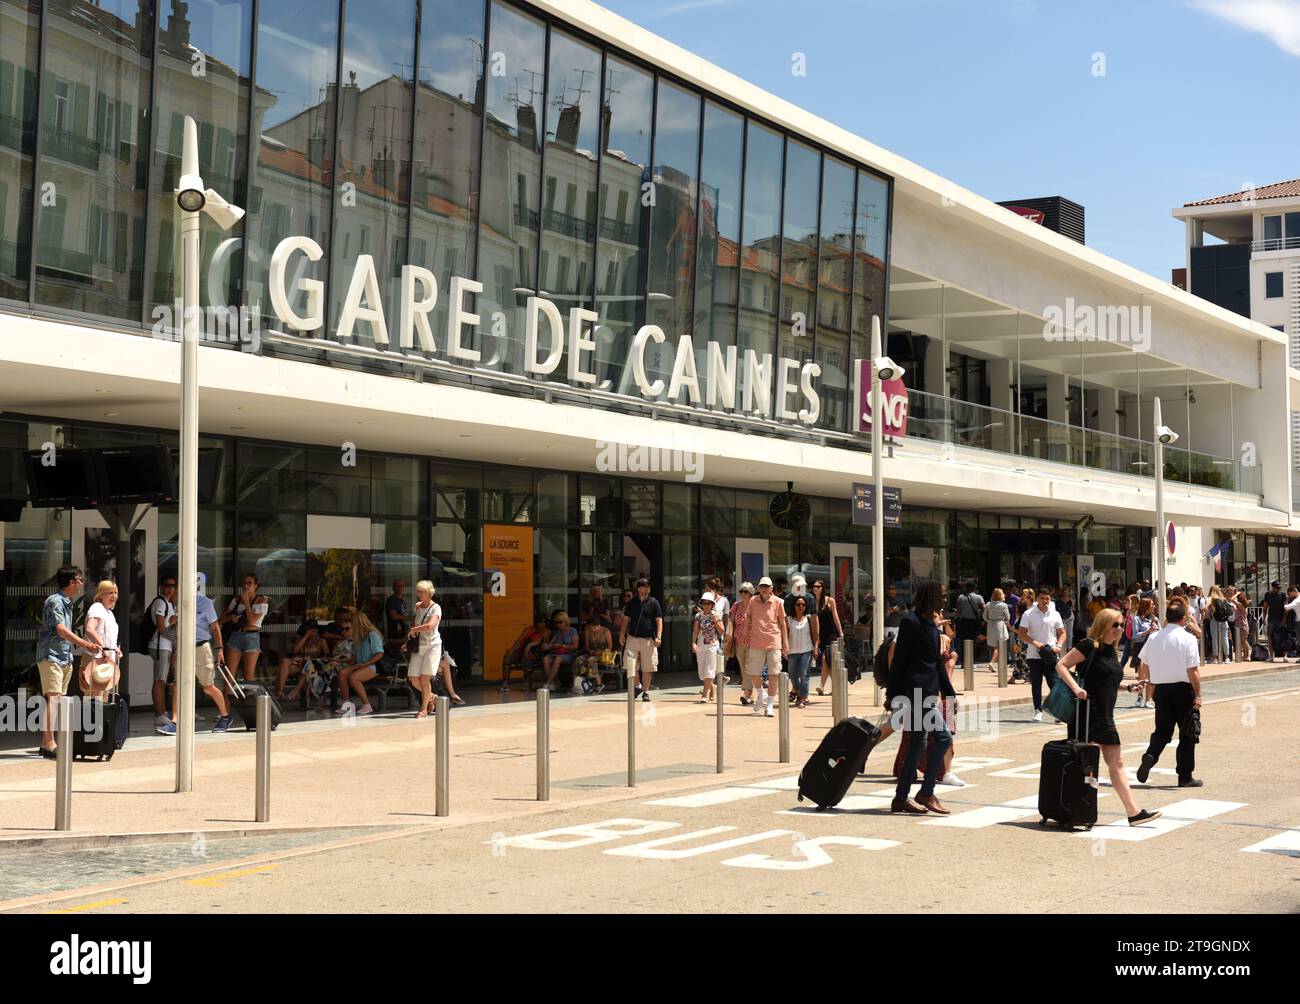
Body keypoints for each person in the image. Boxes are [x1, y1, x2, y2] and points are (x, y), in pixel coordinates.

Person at [1054, 608, 1162, 825]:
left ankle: (1133, 813)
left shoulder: (1111, 651)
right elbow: (1061, 665)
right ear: (1103, 625)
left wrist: (1128, 686)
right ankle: (1075, 810)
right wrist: (1076, 689)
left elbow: (1105, 682)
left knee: (1116, 763)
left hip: (1104, 715)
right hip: (1086, 714)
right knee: (1084, 764)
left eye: (1121, 625)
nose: (1120, 629)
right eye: (1115, 625)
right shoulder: (1088, 645)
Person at [886, 580, 955, 815]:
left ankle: (900, 798)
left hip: (927, 693)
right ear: (931, 597)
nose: (945, 600)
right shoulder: (911, 623)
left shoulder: (930, 625)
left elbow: (936, 662)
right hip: (915, 693)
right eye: (942, 596)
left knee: (919, 743)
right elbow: (899, 661)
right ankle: (926, 792)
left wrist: (949, 693)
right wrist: (892, 694)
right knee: (943, 738)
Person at [1137, 603, 1205, 788]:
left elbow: (1144, 664)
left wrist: (1148, 687)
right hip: (1183, 690)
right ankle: (1184, 776)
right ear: (1184, 619)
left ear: (1167, 617)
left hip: (1162, 690)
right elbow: (1193, 670)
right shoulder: (1188, 638)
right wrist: (1198, 694)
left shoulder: (1153, 637)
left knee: (1162, 732)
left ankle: (1150, 755)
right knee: (1188, 732)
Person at [35, 566, 100, 759]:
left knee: (58, 700)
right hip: (51, 656)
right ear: (72, 582)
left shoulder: (67, 603)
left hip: (63, 656)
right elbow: (61, 630)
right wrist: (85, 644)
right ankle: (48, 743)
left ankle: (46, 743)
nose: (81, 583)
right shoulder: (55, 601)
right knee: (54, 699)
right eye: (79, 580)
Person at [157, 582, 232, 735]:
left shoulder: (205, 603)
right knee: (177, 685)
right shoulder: (179, 602)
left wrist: (219, 649)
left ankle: (225, 716)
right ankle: (175, 722)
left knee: (208, 687)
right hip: (184, 647)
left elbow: (215, 627)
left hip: (201, 647)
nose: (178, 590)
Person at [1017, 588, 1066, 722]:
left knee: (1054, 684)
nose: (1045, 601)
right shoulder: (1029, 614)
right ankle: (1038, 710)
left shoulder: (1055, 614)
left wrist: (1059, 646)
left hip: (1050, 654)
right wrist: (1035, 643)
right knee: (1036, 684)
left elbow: (1062, 633)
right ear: (1037, 599)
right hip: (1034, 655)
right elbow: (1021, 633)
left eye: (1047, 598)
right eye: (1042, 598)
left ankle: (1057, 712)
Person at [744, 577, 789, 718]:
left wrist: (785, 643)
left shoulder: (778, 602)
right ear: (758, 588)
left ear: (771, 589)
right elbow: (748, 617)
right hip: (756, 641)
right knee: (753, 673)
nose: (764, 588)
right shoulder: (753, 601)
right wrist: (745, 631)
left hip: (773, 641)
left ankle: (769, 704)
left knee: (774, 674)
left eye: (766, 586)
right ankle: (760, 693)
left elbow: (782, 623)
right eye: (761, 586)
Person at [219, 573, 269, 685]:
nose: (246, 586)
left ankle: (246, 700)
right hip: (236, 635)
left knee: (248, 675)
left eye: (249, 583)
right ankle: (225, 701)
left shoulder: (261, 600)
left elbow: (252, 621)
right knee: (229, 673)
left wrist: (246, 601)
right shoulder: (236, 600)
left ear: (256, 585)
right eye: (244, 583)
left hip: (252, 636)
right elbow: (220, 620)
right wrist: (231, 617)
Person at [619, 578, 662, 702]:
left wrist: (658, 636)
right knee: (631, 665)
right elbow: (626, 619)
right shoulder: (632, 602)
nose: (646, 588)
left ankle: (646, 691)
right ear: (638, 588)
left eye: (648, 586)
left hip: (648, 639)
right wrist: (622, 634)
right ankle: (637, 686)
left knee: (647, 668)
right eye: (643, 586)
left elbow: (659, 620)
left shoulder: (654, 602)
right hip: (632, 638)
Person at [336, 610, 385, 716]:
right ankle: (347, 704)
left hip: (374, 665)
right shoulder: (358, 637)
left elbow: (379, 654)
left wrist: (364, 664)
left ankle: (367, 705)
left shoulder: (373, 635)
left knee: (354, 677)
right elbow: (353, 657)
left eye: (353, 623)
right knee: (342, 673)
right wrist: (342, 663)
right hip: (360, 664)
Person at [405, 580, 443, 717]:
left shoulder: (436, 608)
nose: (418, 594)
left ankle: (423, 709)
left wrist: (414, 629)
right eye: (418, 591)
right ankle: (432, 697)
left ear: (428, 593)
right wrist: (408, 641)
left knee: (425, 679)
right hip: (419, 646)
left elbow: (430, 625)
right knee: (413, 678)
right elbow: (415, 625)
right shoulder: (417, 606)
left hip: (432, 646)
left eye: (421, 591)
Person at [81, 581, 123, 701]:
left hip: (105, 660)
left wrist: (114, 648)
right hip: (95, 658)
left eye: (115, 593)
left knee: (102, 700)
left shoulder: (109, 613)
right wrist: (104, 648)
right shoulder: (97, 608)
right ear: (100, 595)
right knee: (93, 700)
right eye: (110, 592)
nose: (114, 596)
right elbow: (90, 629)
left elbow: (108, 637)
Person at [276, 617, 331, 702]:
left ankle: (280, 693)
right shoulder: (303, 640)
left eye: (315, 628)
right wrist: (306, 636)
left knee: (280, 669)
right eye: (310, 628)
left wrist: (313, 659)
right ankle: (280, 693)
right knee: (285, 661)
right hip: (301, 663)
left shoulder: (321, 641)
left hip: (313, 665)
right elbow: (295, 651)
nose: (313, 630)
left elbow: (327, 657)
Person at [148, 577, 179, 728]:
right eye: (167, 585)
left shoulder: (169, 603)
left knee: (162, 681)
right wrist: (172, 622)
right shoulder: (160, 602)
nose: (170, 588)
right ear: (161, 587)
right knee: (159, 681)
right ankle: (159, 714)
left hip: (165, 646)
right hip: (160, 645)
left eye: (173, 586)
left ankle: (162, 712)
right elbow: (161, 627)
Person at [785, 595, 819, 709]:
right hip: (792, 651)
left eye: (803, 605)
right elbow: (785, 635)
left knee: (804, 675)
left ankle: (803, 697)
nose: (800, 607)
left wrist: (815, 647)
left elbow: (815, 634)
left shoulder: (809, 618)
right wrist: (784, 649)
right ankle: (797, 691)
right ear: (794, 606)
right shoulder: (788, 619)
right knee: (793, 676)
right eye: (798, 604)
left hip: (806, 650)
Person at [812, 579, 843, 696]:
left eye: (818, 586)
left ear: (823, 588)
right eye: (814, 586)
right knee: (829, 662)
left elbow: (836, 618)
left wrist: (841, 634)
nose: (815, 588)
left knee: (825, 658)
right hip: (819, 635)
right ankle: (837, 686)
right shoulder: (811, 602)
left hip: (831, 634)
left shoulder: (830, 601)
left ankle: (821, 685)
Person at [692, 592, 724, 702]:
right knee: (702, 671)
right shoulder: (698, 616)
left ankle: (705, 694)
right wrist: (693, 643)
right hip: (701, 644)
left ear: (712, 605)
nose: (706, 605)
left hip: (712, 645)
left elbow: (722, 631)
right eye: (704, 603)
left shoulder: (716, 615)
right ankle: (712, 688)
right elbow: (695, 631)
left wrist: (715, 621)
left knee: (709, 669)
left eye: (708, 603)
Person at [729, 582, 755, 704]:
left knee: (749, 667)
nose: (743, 594)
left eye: (746, 592)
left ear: (751, 593)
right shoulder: (736, 606)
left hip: (752, 641)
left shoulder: (755, 605)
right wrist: (729, 636)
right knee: (743, 668)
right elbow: (731, 622)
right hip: (738, 641)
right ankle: (749, 693)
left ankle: (747, 694)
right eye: (741, 592)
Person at [541, 612, 579, 691]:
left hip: (569, 653)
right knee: (546, 659)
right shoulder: (558, 633)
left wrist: (564, 646)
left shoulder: (573, 631)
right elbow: (550, 644)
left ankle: (548, 683)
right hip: (557, 653)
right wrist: (547, 646)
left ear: (565, 621)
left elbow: (575, 646)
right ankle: (553, 682)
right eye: (557, 622)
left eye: (560, 622)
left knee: (558, 659)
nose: (558, 624)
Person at [953, 579, 985, 659]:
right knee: (974, 641)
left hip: (963, 622)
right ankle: (971, 660)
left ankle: (964, 661)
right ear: (974, 588)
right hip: (974, 622)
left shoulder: (960, 597)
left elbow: (958, 613)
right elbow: (984, 610)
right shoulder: (979, 597)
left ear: (966, 587)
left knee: (964, 642)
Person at [984, 587, 1010, 674]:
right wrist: (1005, 622)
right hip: (1000, 625)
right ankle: (992, 662)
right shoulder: (1003, 605)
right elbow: (1007, 617)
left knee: (994, 646)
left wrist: (989, 620)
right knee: (999, 646)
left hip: (991, 625)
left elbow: (984, 617)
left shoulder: (988, 604)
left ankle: (994, 663)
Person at [1206, 585, 1234, 664]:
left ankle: (1215, 658)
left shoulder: (1212, 599)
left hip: (1215, 620)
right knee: (1225, 639)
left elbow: (1205, 608)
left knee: (1214, 639)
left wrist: (1208, 614)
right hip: (1224, 620)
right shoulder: (1223, 599)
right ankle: (1227, 657)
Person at [1262, 581, 1286, 659]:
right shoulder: (1268, 595)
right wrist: (1263, 618)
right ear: (1273, 587)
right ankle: (1271, 656)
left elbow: (1285, 608)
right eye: (1277, 588)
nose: (1279, 589)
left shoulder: (1283, 595)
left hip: (1280, 619)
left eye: (1280, 587)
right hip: (1271, 619)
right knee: (1270, 637)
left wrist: (1284, 619)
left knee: (1283, 637)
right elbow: (1265, 608)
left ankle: (1284, 656)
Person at [385, 579, 410, 645]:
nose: (400, 588)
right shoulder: (391, 600)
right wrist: (409, 618)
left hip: (404, 633)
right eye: (398, 586)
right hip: (396, 634)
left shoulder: (402, 600)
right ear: (393, 588)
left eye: (402, 586)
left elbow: (404, 615)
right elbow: (394, 616)